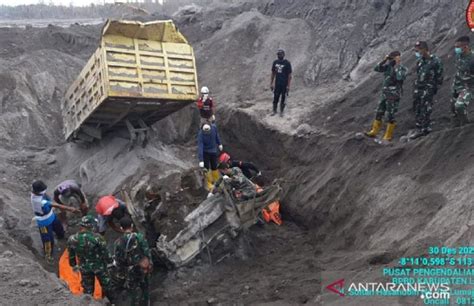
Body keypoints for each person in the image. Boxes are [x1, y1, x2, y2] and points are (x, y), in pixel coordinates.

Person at [67, 215, 114, 302]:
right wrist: (111, 262)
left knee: (88, 290)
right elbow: (105, 253)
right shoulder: (97, 238)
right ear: (91, 226)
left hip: (84, 268)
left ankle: (89, 303)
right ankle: (111, 302)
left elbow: (71, 255)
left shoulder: (72, 239)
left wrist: (73, 265)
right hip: (99, 267)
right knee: (107, 286)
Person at [30, 180, 77, 263]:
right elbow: (56, 205)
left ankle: (61, 236)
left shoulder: (38, 194)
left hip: (51, 216)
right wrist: (70, 209)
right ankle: (48, 255)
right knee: (48, 240)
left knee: (59, 228)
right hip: (44, 222)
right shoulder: (38, 201)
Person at [365, 51, 408, 141]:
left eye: (393, 58)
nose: (391, 60)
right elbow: (377, 68)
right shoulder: (388, 67)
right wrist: (384, 60)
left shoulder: (402, 68)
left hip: (393, 95)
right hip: (385, 94)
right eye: (391, 58)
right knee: (379, 111)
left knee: (390, 114)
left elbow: (400, 78)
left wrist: (398, 64)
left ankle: (388, 135)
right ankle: (374, 131)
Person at [114, 217, 153, 306]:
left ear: (121, 228)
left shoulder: (118, 243)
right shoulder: (139, 237)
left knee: (133, 291)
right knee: (145, 288)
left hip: (129, 271)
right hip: (142, 268)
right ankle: (146, 303)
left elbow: (118, 261)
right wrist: (150, 264)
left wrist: (121, 274)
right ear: (132, 226)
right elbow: (147, 252)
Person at [411, 41, 443, 139]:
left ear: (424, 49)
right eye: (416, 51)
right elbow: (418, 74)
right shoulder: (420, 61)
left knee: (425, 108)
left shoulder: (435, 61)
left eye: (418, 50)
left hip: (428, 88)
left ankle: (425, 129)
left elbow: (439, 76)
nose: (417, 53)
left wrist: (433, 88)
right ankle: (419, 128)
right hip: (418, 88)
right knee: (417, 108)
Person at [451, 36, 474, 126]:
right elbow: (459, 71)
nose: (456, 49)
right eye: (455, 47)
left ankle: (466, 126)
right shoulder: (458, 57)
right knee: (453, 105)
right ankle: (457, 125)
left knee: (459, 105)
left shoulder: (472, 58)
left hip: (471, 86)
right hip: (460, 84)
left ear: (465, 46)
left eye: (458, 47)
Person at [198, 123, 223, 190]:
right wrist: (201, 159)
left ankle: (217, 181)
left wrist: (219, 143)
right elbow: (200, 146)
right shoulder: (201, 134)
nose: (207, 133)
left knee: (214, 166)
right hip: (205, 152)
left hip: (213, 150)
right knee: (206, 168)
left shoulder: (214, 128)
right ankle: (209, 183)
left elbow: (217, 135)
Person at [270, 49, 292, 117]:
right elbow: (273, 73)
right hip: (277, 83)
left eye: (281, 54)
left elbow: (289, 75)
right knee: (275, 97)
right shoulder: (275, 62)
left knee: (283, 97)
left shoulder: (287, 63)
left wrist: (288, 85)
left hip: (284, 84)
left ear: (283, 55)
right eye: (278, 54)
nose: (279, 55)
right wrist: (271, 83)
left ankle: (281, 112)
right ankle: (274, 110)